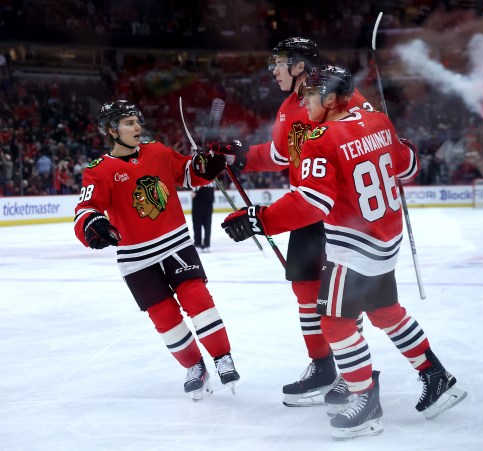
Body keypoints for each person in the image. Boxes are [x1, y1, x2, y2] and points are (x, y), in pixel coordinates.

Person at [221, 65, 466, 439]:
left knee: (335, 323)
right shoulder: (378, 121)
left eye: (310, 95)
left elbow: (311, 203)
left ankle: (365, 401)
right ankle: (437, 376)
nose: (303, 101)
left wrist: (259, 219)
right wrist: (399, 141)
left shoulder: (322, 137)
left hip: (353, 248)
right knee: (387, 313)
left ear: (332, 98)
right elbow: (409, 165)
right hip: (386, 241)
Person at [210, 37, 371, 409]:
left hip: (339, 211)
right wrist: (241, 157)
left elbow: (366, 135)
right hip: (304, 208)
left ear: (299, 66)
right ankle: (322, 366)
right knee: (305, 292)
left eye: (279, 63)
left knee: (340, 298)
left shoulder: (337, 95)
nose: (274, 70)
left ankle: (351, 373)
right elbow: (282, 155)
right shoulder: (286, 109)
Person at [73, 100, 240, 401]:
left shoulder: (158, 151)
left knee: (197, 298)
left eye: (137, 121)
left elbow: (189, 173)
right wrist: (90, 224)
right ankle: (194, 366)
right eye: (128, 123)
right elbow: (86, 207)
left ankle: (222, 357)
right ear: (112, 130)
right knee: (164, 317)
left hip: (174, 243)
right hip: (136, 258)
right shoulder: (98, 170)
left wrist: (207, 165)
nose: (137, 127)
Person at [191, 184, 215, 252]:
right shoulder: (212, 181)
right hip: (209, 206)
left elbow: (193, 194)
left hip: (198, 206)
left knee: (197, 225)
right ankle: (206, 244)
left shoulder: (198, 182)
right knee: (207, 225)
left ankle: (198, 243)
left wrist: (193, 192)